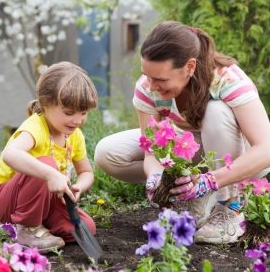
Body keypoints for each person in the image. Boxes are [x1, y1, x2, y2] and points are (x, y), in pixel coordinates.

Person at [95, 21, 270, 244]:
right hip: (195, 151)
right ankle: (189, 194)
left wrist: (210, 180)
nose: (150, 85)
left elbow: (266, 149)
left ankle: (229, 207)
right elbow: (151, 151)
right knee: (107, 153)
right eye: (147, 76)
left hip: (239, 156)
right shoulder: (148, 87)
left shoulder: (227, 79)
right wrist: (156, 176)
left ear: (189, 66)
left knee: (215, 112)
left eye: (160, 79)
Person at [0, 61, 98, 253]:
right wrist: (50, 174)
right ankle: (26, 228)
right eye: (69, 112)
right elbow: (10, 154)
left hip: (45, 201)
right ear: (46, 105)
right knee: (46, 164)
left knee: (86, 226)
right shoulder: (35, 128)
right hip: (7, 200)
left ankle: (39, 227)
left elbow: (86, 171)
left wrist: (79, 186)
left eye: (83, 112)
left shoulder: (73, 134)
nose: (78, 120)